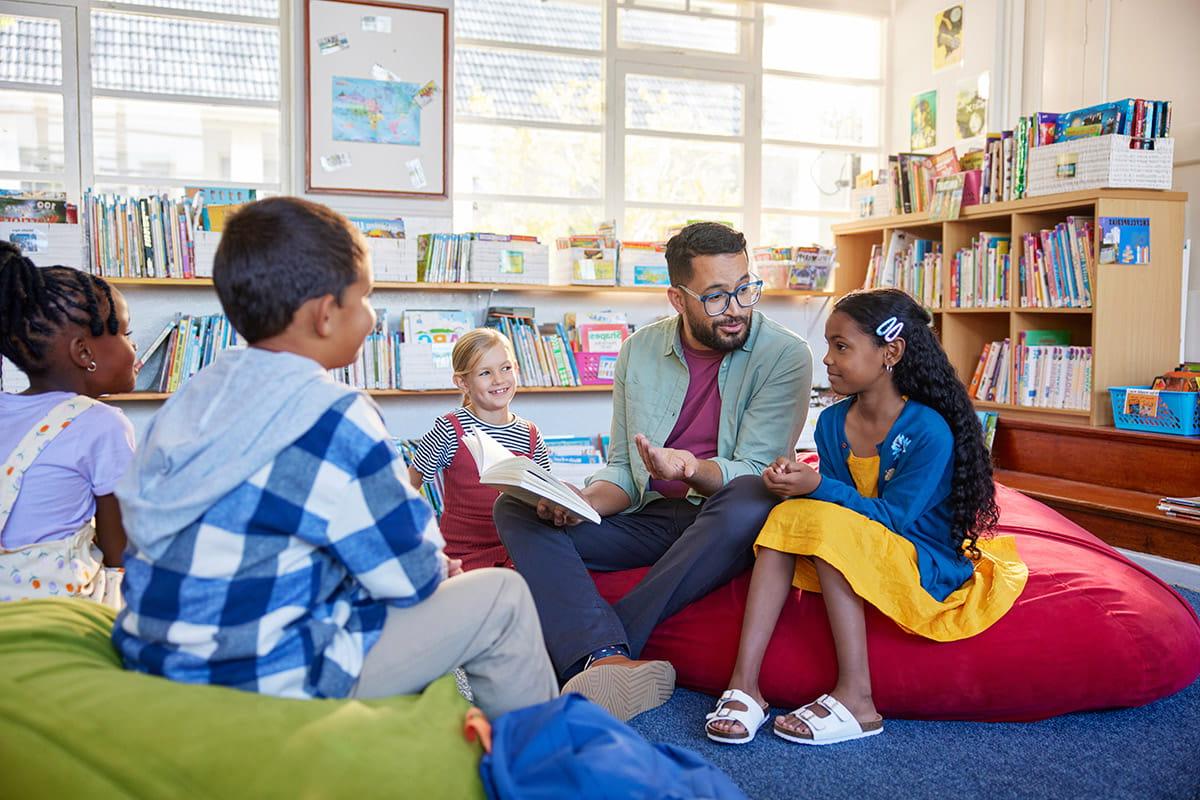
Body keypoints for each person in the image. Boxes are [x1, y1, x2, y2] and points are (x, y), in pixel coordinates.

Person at [112, 197, 558, 718]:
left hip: (156, 647)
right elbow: (411, 574)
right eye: (365, 298)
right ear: (326, 314)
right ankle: (545, 763)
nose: (370, 317)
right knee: (502, 598)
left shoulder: (196, 392)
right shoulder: (337, 415)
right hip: (263, 667)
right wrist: (438, 568)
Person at [494, 222, 813, 721]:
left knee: (752, 494)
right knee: (515, 506)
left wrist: (689, 468)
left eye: (745, 289)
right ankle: (608, 659)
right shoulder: (638, 350)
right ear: (677, 298)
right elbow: (624, 468)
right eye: (715, 297)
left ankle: (600, 645)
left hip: (725, 523)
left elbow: (758, 468)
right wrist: (581, 501)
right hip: (651, 518)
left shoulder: (785, 354)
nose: (736, 309)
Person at [704, 288, 1028, 746]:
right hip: (861, 546)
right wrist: (793, 483)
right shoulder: (832, 423)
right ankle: (745, 684)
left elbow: (894, 517)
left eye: (842, 346)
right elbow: (835, 504)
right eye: (828, 346)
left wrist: (817, 486)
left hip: (919, 555)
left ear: (889, 352)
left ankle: (858, 697)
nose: (829, 360)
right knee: (786, 516)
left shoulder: (927, 429)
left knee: (830, 524)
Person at [0, 243, 137, 606]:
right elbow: (119, 550)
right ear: (84, 353)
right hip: (59, 610)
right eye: (125, 333)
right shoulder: (102, 424)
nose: (133, 347)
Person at [408, 327, 552, 570]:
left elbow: (546, 497)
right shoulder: (449, 428)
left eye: (505, 368)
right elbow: (407, 486)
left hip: (517, 552)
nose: (498, 380)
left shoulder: (530, 435)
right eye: (485, 373)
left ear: (516, 368)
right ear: (462, 382)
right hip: (463, 557)